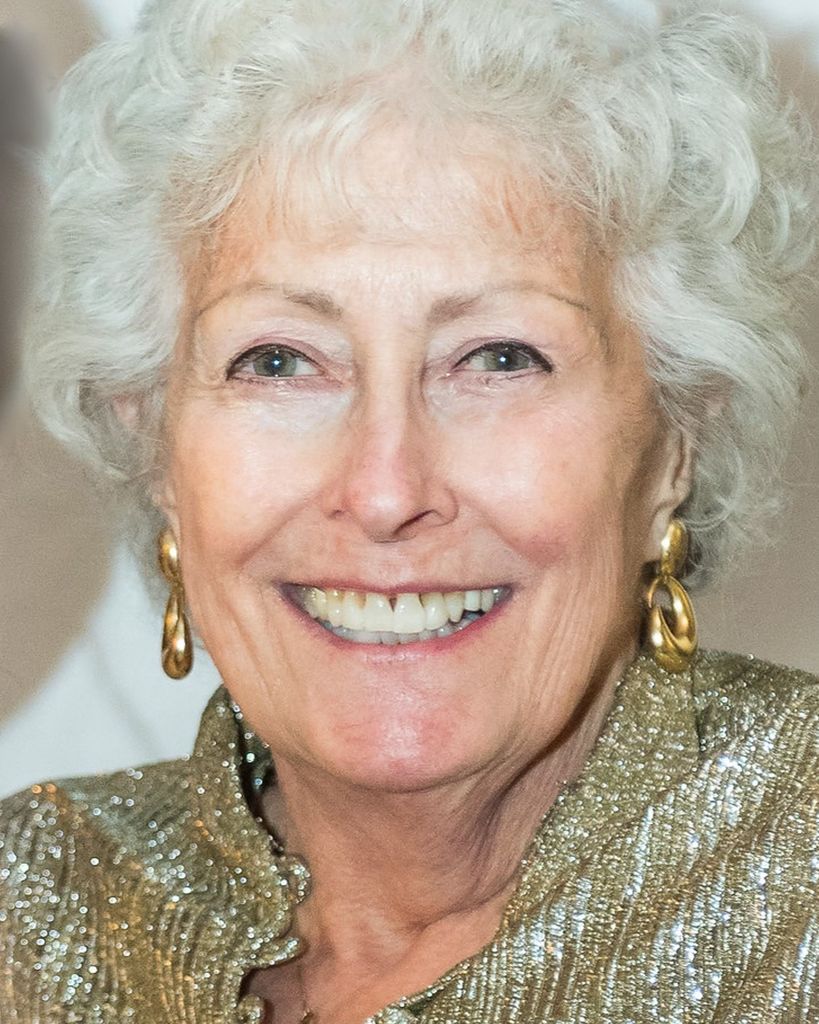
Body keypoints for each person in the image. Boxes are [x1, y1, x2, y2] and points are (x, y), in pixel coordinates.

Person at [1, 0, 817, 1021]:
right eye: (279, 361)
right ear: (153, 439)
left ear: (675, 437)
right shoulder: (33, 910)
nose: (385, 491)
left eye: (500, 358)